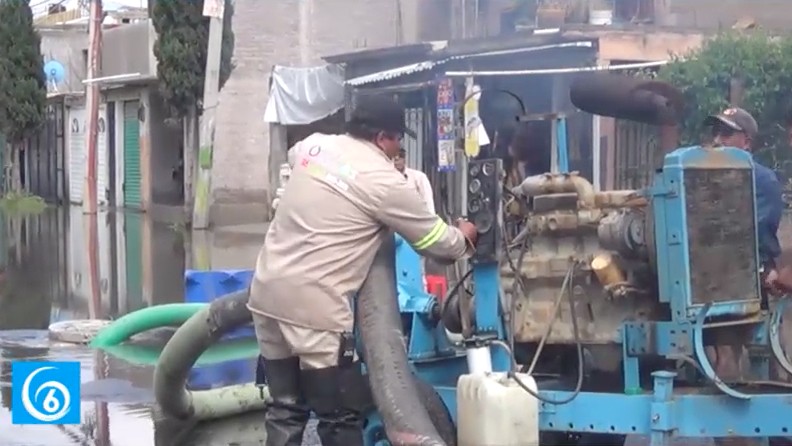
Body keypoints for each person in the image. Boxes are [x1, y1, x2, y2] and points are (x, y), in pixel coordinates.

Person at [247, 95, 478, 446]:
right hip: (316, 312)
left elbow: (296, 157)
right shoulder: (386, 182)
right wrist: (465, 236)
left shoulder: (314, 146)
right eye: (397, 140)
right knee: (339, 417)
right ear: (383, 137)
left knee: (285, 409)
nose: (398, 150)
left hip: (265, 296)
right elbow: (437, 243)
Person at [705, 107, 784, 288]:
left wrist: (764, 267)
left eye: (726, 133)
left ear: (746, 142)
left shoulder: (762, 180)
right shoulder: (700, 179)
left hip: (744, 279)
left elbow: (759, 232)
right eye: (715, 132)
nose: (717, 140)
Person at [393, 148, 435, 213]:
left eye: (400, 157)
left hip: (416, 216)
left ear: (404, 159)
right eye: (394, 159)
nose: (397, 162)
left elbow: (427, 200)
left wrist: (430, 216)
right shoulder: (387, 178)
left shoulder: (419, 177)